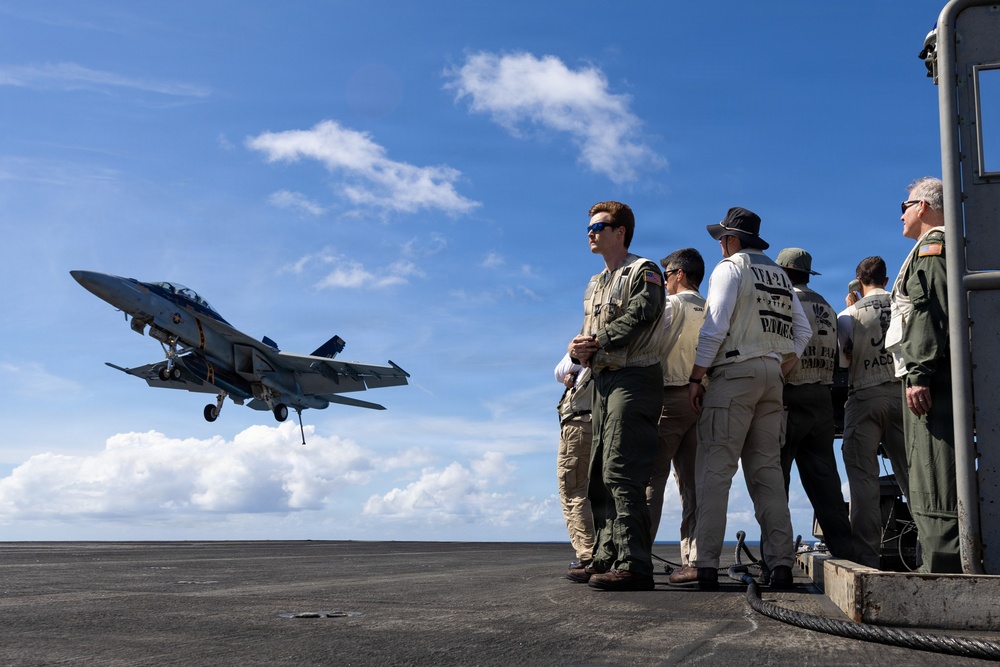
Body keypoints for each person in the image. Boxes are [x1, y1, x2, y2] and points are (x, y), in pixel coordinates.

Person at [668, 207, 810, 590]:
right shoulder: (779, 274)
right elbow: (803, 331)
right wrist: (777, 366)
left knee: (714, 472)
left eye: (721, 239)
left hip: (734, 375)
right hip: (771, 378)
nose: (719, 246)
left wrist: (697, 378)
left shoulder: (730, 268)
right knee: (767, 475)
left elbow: (714, 328)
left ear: (731, 240)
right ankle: (781, 565)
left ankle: (704, 563)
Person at [565, 201, 665, 591]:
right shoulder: (595, 283)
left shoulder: (645, 270)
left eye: (599, 226)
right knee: (598, 474)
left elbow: (646, 311)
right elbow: (586, 333)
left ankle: (635, 563)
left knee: (621, 470)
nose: (591, 232)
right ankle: (607, 555)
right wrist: (577, 351)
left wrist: (598, 340)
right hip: (603, 380)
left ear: (620, 231)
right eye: (589, 227)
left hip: (635, 377)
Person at [885, 176, 960, 573]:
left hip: (932, 376)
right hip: (934, 371)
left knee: (933, 473)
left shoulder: (932, 249)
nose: (901, 214)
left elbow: (930, 313)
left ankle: (943, 567)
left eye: (905, 205)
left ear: (924, 207)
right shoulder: (936, 247)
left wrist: (919, 374)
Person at [773, 248, 854, 561]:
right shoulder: (827, 306)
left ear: (783, 272)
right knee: (826, 484)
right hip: (821, 397)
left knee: (775, 481)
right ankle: (847, 555)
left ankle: (777, 558)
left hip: (787, 395)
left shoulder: (782, 301)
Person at [838, 256, 910, 569]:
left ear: (859, 281)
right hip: (902, 394)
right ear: (886, 278)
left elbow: (845, 360)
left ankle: (867, 558)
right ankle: (929, 553)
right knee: (915, 478)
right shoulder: (902, 304)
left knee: (862, 481)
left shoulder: (848, 314)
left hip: (865, 395)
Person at [646, 248, 706, 566]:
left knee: (652, 478)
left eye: (667, 275)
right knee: (694, 485)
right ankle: (693, 559)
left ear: (679, 274)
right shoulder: (713, 309)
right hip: (702, 401)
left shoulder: (668, 306)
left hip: (669, 397)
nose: (665, 282)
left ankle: (638, 555)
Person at [554, 353, 596, 572]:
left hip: (580, 423)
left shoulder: (590, 337)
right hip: (598, 423)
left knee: (574, 489)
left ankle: (587, 555)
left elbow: (559, 371)